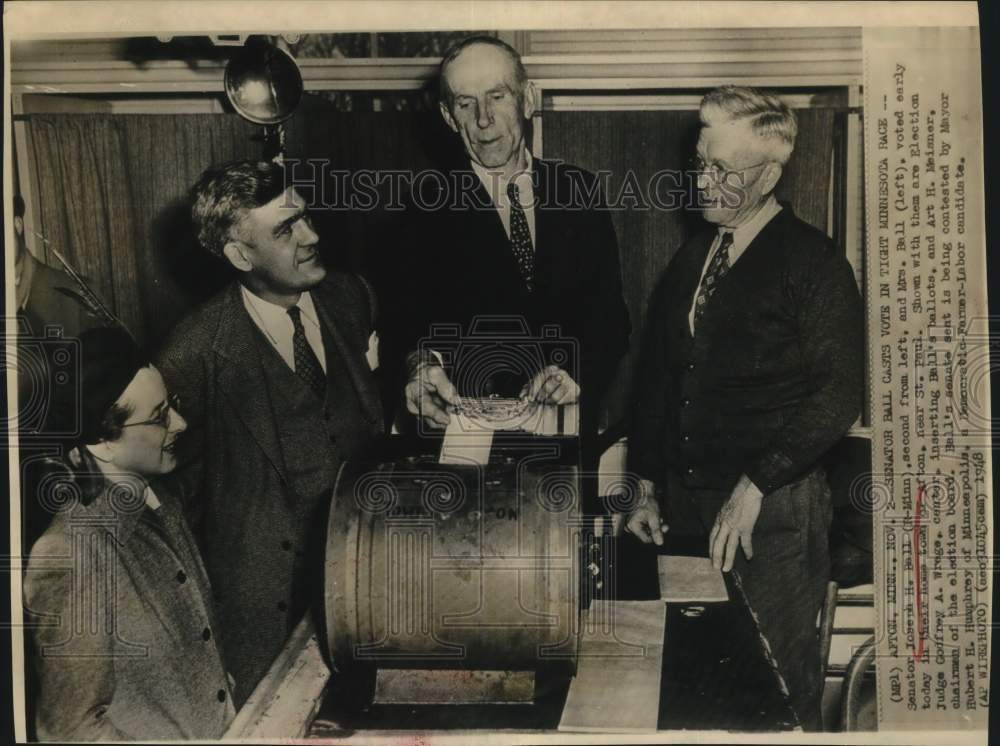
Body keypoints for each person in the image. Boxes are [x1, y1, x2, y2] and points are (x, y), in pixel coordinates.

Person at [625, 86, 864, 730]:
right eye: (700, 162)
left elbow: (842, 392)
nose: (702, 181)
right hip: (687, 508)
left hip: (772, 516)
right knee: (696, 684)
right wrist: (645, 482)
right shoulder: (691, 257)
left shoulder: (814, 263)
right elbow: (659, 376)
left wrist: (757, 482)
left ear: (768, 175)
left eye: (720, 170)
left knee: (777, 697)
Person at [155, 160, 384, 706]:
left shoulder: (351, 298)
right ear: (239, 255)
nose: (312, 235)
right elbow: (171, 504)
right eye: (285, 229)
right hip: (264, 616)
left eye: (304, 217)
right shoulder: (191, 355)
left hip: (371, 588)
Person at [377, 36, 630, 437]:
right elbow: (405, 326)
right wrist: (419, 367)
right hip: (468, 436)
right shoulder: (424, 209)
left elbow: (610, 320)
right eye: (465, 103)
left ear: (528, 99)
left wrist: (575, 374)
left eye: (497, 96)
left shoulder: (578, 191)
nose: (483, 119)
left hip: (566, 429)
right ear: (447, 115)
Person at [24, 327, 235, 740]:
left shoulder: (159, 499)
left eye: (172, 404)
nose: (181, 422)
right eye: (160, 416)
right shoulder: (71, 552)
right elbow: (70, 730)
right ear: (102, 443)